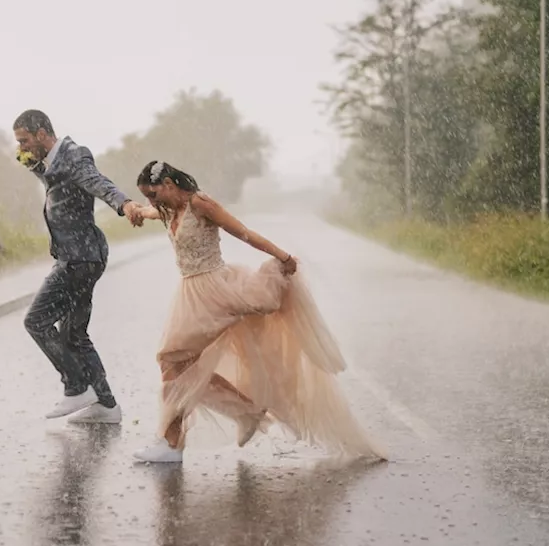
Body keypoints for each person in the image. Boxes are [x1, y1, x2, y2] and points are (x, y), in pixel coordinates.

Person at [126, 160, 386, 463]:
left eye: (154, 194)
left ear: (169, 185)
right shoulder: (168, 209)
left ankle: (173, 444)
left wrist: (283, 256)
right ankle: (242, 412)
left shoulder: (200, 203)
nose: (151, 201)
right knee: (181, 366)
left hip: (213, 291)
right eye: (147, 196)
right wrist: (135, 209)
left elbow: (243, 232)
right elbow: (148, 211)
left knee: (172, 360)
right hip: (189, 292)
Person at [12, 109, 145, 424]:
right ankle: (107, 405)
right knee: (74, 335)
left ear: (43, 133)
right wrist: (32, 165)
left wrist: (124, 204)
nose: (22, 148)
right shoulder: (54, 161)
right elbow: (57, 182)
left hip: (78, 259)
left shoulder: (74, 155)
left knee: (37, 322)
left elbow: (97, 182)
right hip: (83, 256)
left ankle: (76, 386)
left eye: (25, 141)